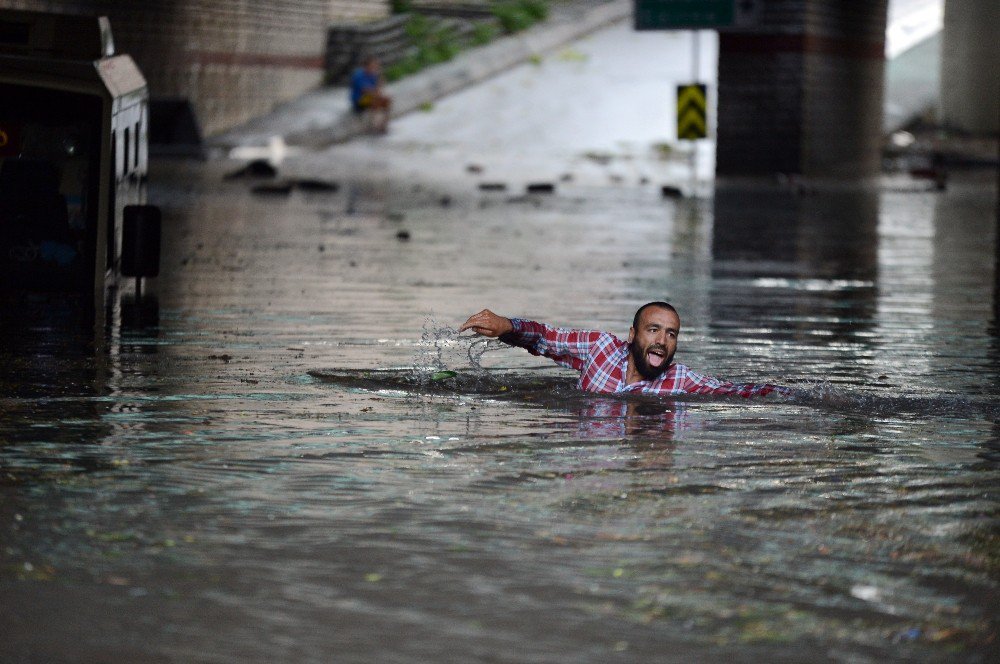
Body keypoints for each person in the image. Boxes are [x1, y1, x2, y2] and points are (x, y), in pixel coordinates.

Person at [458, 302, 790, 398]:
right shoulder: (600, 348)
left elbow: (734, 392)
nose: (662, 340)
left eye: (671, 334)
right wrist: (509, 326)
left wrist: (798, 395)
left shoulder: (679, 381)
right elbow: (546, 338)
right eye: (654, 330)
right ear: (632, 335)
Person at [350, 56, 392, 133]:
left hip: (370, 97)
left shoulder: (373, 75)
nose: (374, 67)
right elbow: (366, 91)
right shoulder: (358, 75)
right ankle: (374, 125)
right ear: (366, 66)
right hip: (359, 100)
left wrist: (380, 81)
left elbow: (377, 90)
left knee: (387, 100)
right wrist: (377, 94)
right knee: (375, 101)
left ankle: (383, 125)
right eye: (372, 65)